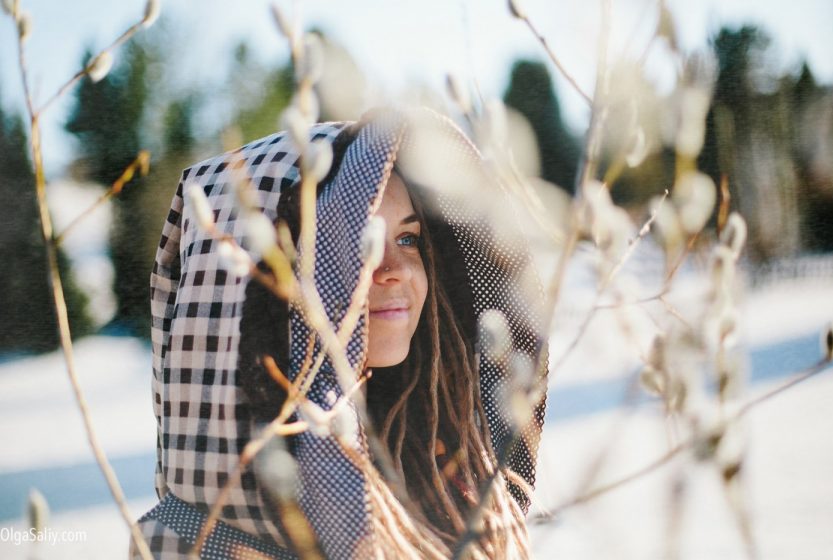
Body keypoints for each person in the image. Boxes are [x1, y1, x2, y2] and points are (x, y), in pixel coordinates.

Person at [133, 108, 548, 559]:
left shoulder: (435, 472)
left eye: (409, 239)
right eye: (357, 245)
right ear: (264, 299)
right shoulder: (188, 545)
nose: (395, 271)